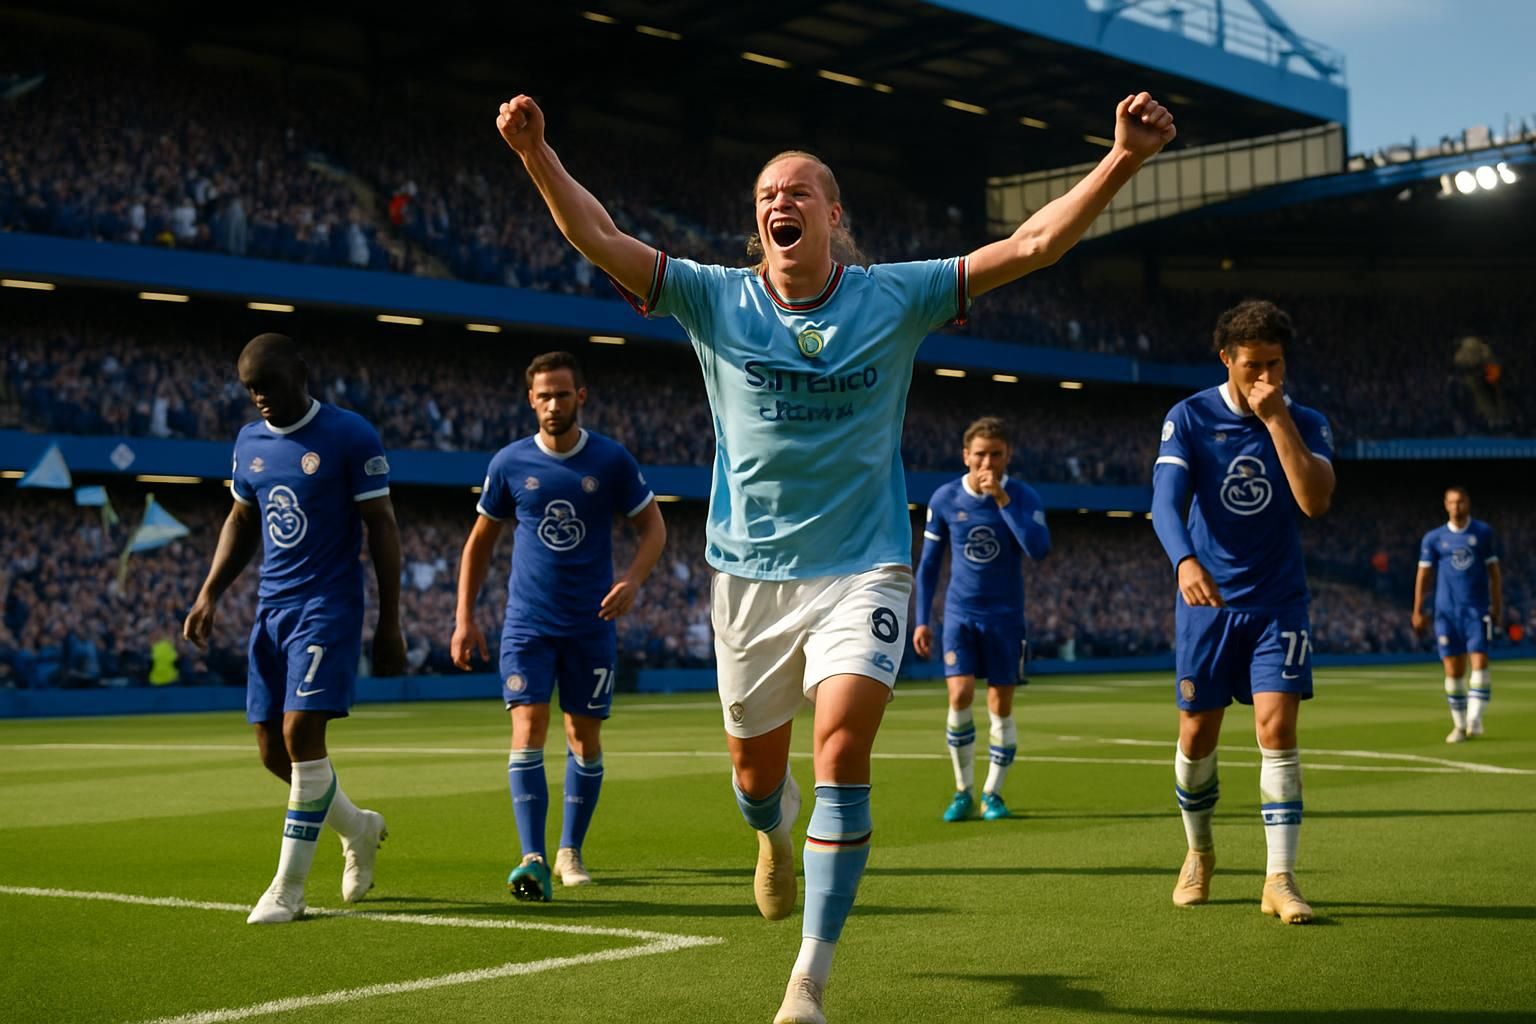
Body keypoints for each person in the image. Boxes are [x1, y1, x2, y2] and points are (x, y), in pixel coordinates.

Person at [496, 87, 1174, 1023]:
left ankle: (808, 980)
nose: (781, 201)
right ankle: (772, 838)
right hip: (748, 579)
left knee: (844, 746)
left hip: (866, 567)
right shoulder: (712, 296)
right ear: (758, 221)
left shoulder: (894, 294)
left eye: (801, 190)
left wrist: (1123, 159)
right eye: (768, 193)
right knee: (754, 781)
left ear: (833, 215)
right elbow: (603, 240)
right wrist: (537, 153)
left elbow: (1029, 247)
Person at [184, 332, 405, 924]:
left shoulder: (348, 435)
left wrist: (391, 622)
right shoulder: (250, 441)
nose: (259, 398)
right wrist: (209, 593)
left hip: (328, 606)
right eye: (251, 389)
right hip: (270, 610)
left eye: (269, 385)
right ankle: (358, 828)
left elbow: (382, 526)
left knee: (302, 733)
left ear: (301, 372)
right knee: (271, 752)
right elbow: (240, 517)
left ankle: (289, 888)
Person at [451, 351, 665, 901]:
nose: (552, 404)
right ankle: (533, 855)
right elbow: (480, 542)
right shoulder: (508, 464)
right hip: (527, 624)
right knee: (528, 729)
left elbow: (654, 528)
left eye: (562, 395)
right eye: (543, 396)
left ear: (581, 397)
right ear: (531, 400)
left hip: (590, 625)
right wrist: (464, 618)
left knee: (582, 735)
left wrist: (635, 581)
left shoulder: (611, 461)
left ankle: (571, 848)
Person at [1151, 300, 1335, 925]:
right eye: (1253, 365)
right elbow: (1165, 504)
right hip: (1208, 604)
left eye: (1277, 365)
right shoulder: (1189, 417)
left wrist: (1277, 416)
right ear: (1225, 357)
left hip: (1279, 603)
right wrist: (1184, 562)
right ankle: (1199, 852)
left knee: (1276, 733)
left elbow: (1313, 501)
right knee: (1196, 736)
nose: (1266, 378)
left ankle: (1279, 879)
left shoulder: (1303, 417)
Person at [912, 416, 1050, 823]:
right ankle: (963, 790)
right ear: (965, 456)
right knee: (959, 695)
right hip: (960, 615)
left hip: (1005, 617)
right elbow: (929, 566)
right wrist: (922, 620)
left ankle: (992, 793)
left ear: (1007, 456)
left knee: (999, 705)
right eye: (979, 454)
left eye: (995, 454)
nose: (986, 462)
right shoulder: (945, 499)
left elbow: (1039, 550)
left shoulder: (1022, 496)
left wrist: (1003, 503)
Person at [1411, 486, 1501, 742]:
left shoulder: (1483, 533)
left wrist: (1498, 606)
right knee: (1453, 669)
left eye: (1460, 501)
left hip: (1477, 609)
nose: (1456, 506)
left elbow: (1494, 573)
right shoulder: (1434, 538)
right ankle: (1460, 726)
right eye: (1452, 502)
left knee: (1480, 662)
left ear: (1467, 503)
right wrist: (1417, 610)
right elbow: (1424, 575)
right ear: (1445, 505)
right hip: (1445, 612)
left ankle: (1474, 717)